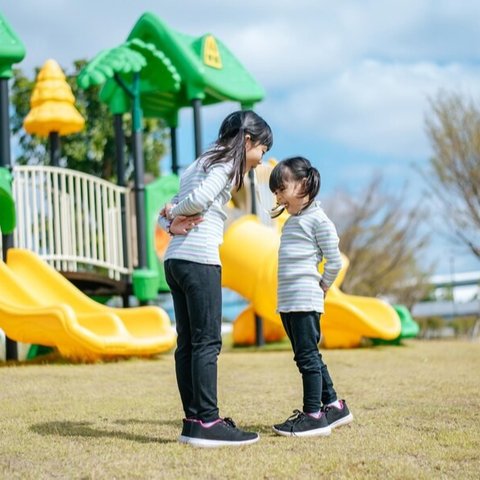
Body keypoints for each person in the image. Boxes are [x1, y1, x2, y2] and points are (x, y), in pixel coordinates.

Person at [158, 110, 273, 447]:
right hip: (199, 260)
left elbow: (177, 204)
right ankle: (208, 421)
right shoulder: (224, 166)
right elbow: (195, 201)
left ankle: (193, 420)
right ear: (247, 140)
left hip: (176, 259)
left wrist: (169, 221)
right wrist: (173, 213)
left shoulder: (198, 163)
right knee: (207, 342)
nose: (259, 159)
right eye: (261, 151)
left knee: (188, 343)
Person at [268, 156, 353, 437]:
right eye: (276, 191)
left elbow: (335, 261)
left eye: (282, 188)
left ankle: (313, 415)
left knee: (307, 358)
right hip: (289, 301)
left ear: (303, 184)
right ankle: (334, 405)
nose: (278, 196)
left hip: (306, 300)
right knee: (307, 356)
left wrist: (324, 286)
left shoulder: (318, 219)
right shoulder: (292, 221)